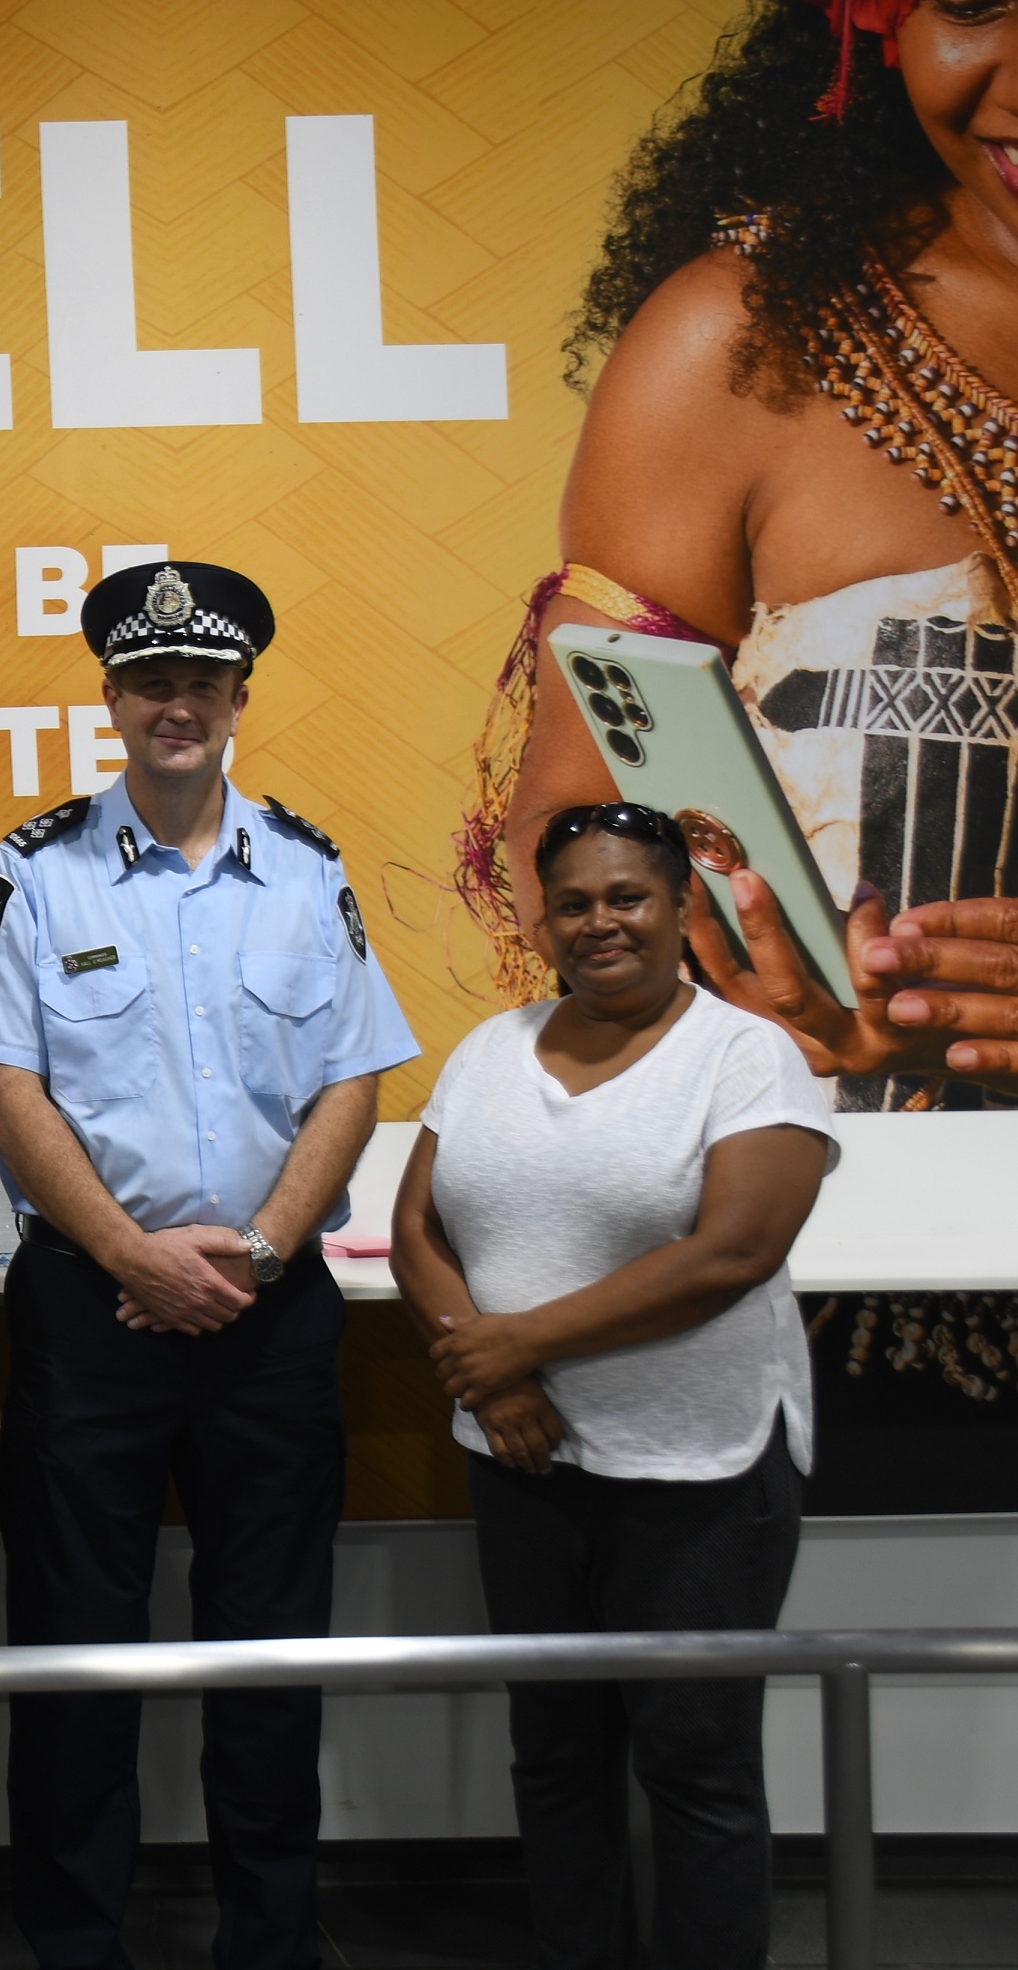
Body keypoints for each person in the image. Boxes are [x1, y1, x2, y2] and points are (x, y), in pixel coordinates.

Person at [449, 0, 1018, 1492]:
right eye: (965, 1)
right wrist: (743, 974)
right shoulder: (746, 350)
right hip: (875, 1318)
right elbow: (580, 819)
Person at [0, 561, 419, 1970]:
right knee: (75, 1653)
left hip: (270, 1313)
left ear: (237, 698)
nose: (176, 705)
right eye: (150, 682)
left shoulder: (307, 869)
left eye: (201, 682)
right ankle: (74, 1943)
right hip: (93, 1313)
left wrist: (259, 1250)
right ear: (110, 697)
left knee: (269, 1653)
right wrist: (129, 1254)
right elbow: (6, 1087)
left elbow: (350, 1082)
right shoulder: (34, 869)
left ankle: (270, 1942)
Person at [392, 801, 837, 1970]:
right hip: (522, 1461)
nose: (600, 920)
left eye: (627, 895)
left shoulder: (744, 1055)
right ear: (542, 922)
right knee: (553, 1751)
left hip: (697, 1469)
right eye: (573, 902)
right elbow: (415, 1227)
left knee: (694, 1762)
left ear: (681, 906)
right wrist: (493, 1384)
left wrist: (517, 1343)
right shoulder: (489, 1048)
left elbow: (731, 1252)